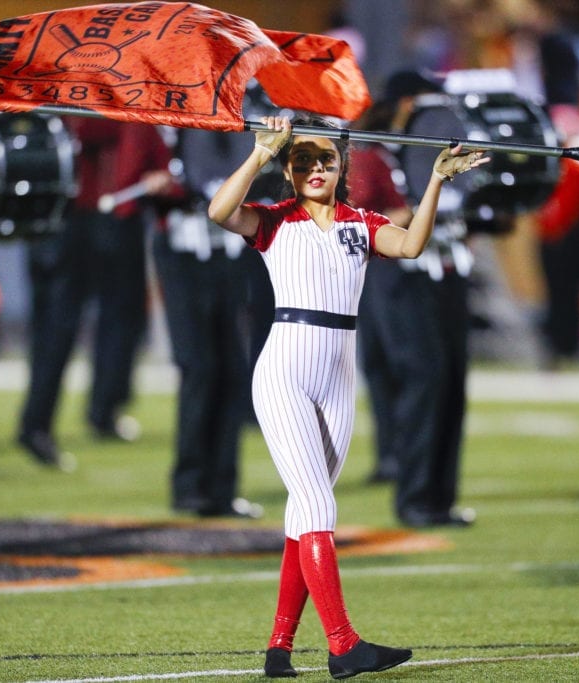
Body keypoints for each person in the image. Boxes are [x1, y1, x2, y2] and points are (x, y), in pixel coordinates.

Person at [207, 114, 487, 678]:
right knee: (319, 506)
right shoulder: (273, 221)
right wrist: (260, 154)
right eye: (304, 161)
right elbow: (218, 212)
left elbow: (409, 247)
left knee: (303, 511)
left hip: (338, 374)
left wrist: (435, 181)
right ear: (290, 169)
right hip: (285, 368)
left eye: (325, 161)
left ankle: (279, 649)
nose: (315, 170)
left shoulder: (361, 223)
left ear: (342, 167)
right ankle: (342, 645)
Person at [350, 71, 477, 528]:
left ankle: (441, 498)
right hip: (400, 280)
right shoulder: (371, 154)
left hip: (445, 271)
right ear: (407, 104)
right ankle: (414, 498)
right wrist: (429, 202)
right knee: (422, 383)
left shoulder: (427, 151)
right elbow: (362, 222)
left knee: (452, 384)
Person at [17, 118, 178, 468]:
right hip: (82, 218)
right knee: (62, 328)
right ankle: (38, 423)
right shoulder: (96, 91)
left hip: (110, 217)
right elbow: (87, 131)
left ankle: (101, 409)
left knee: (119, 320)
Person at [153, 126, 268, 518]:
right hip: (183, 253)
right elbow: (124, 184)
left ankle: (222, 488)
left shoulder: (236, 121)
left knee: (233, 370)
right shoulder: (159, 122)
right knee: (199, 367)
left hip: (226, 252)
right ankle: (189, 485)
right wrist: (158, 184)